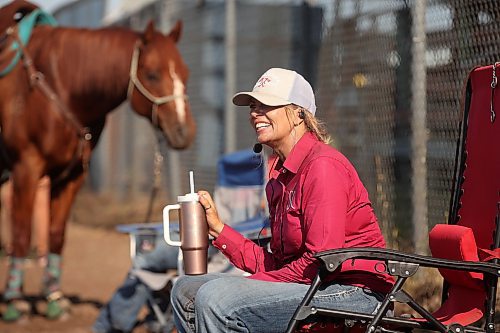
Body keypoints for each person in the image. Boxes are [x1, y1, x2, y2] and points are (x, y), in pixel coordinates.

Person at [170, 67, 395, 333]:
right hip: (315, 283)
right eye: (253, 106)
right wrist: (218, 229)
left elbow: (323, 261)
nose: (255, 113)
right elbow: (278, 265)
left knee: (216, 298)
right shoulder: (281, 176)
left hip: (354, 293)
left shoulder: (322, 166)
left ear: (299, 113)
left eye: (266, 105)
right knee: (185, 289)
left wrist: (252, 283)